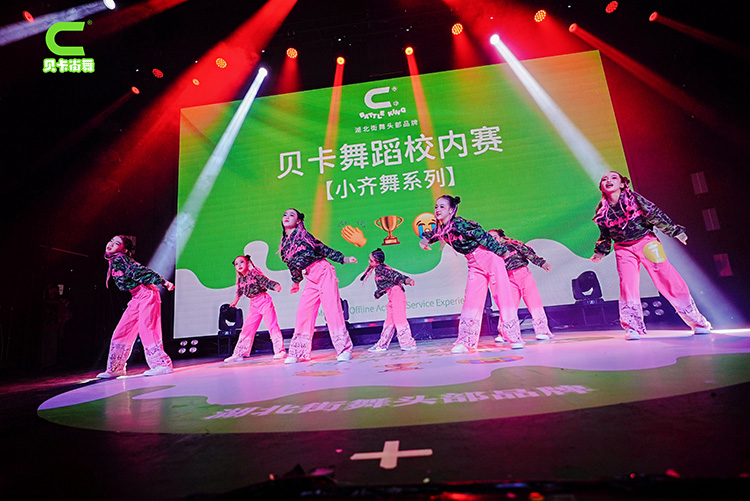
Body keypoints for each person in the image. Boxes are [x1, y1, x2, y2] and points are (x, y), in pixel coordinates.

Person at [590, 171, 711, 340]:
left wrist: (676, 232)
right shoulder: (603, 209)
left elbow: (655, 214)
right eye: (604, 179)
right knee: (627, 285)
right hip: (623, 249)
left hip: (647, 242)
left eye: (613, 178)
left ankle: (698, 322)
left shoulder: (635, 199)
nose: (608, 180)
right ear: (601, 187)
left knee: (667, 279)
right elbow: (605, 234)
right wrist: (600, 252)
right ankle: (632, 327)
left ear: (622, 184)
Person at [421, 195, 524, 352]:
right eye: (436, 207)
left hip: (489, 258)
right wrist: (424, 241)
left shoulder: (460, 223)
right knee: (471, 300)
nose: (438, 210)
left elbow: (482, 235)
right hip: (474, 264)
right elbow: (433, 234)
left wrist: (502, 251)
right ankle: (465, 341)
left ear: (451, 210)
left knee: (502, 296)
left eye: (442, 206)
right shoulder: (443, 229)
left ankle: (514, 337)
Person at [279, 209, 356, 363]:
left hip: (323, 271)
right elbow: (292, 265)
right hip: (311, 277)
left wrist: (343, 259)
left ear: (298, 221)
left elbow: (322, 249)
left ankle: (344, 349)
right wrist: (296, 282)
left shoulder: (304, 236)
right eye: (285, 215)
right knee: (303, 312)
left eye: (292, 215)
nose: (287, 217)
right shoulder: (284, 244)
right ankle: (298, 351)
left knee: (332, 310)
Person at [97, 235, 174, 378]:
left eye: (117, 243)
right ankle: (115, 368)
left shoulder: (120, 258)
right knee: (122, 330)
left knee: (147, 329)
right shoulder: (114, 260)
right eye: (111, 241)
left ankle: (162, 364)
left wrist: (163, 282)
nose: (111, 244)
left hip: (146, 294)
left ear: (124, 249)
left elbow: (138, 271)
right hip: (136, 297)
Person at [488, 229, 553, 341]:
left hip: (523, 274)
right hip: (508, 278)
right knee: (509, 306)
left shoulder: (511, 244)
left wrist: (542, 263)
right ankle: (505, 334)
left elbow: (527, 253)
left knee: (534, 302)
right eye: (490, 238)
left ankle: (542, 331)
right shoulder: (491, 251)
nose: (493, 240)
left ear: (501, 237)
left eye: (495, 237)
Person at [223, 254, 286, 362]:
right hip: (253, 304)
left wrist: (275, 286)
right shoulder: (240, 279)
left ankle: (280, 351)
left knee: (272, 325)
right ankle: (239, 353)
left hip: (264, 300)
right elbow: (239, 291)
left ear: (247, 263)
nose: (239, 265)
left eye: (242, 262)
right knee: (247, 328)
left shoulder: (254, 273)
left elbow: (265, 281)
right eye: (237, 264)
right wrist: (235, 301)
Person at [360, 248, 417, 352]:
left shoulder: (381, 269)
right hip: (392, 295)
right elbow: (386, 284)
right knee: (389, 321)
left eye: (371, 260)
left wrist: (407, 280)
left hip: (396, 294)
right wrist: (378, 293)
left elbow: (395, 275)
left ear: (377, 261)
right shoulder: (380, 269)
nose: (369, 262)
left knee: (399, 319)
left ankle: (407, 343)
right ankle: (382, 344)